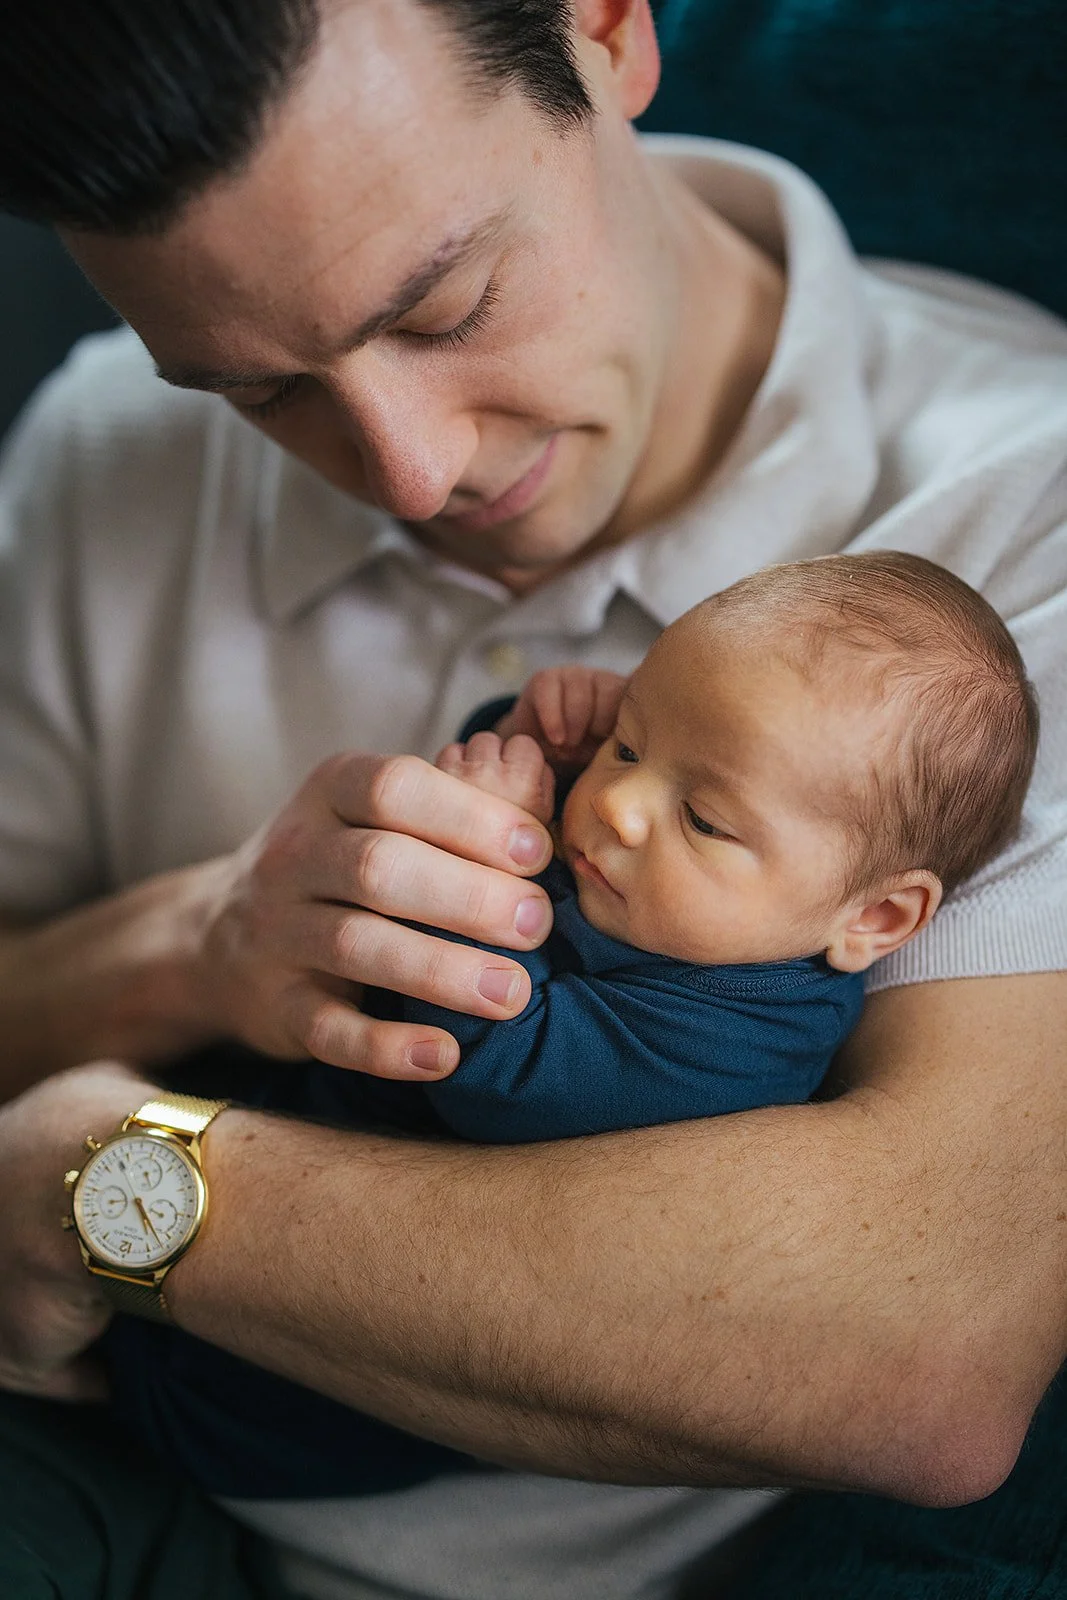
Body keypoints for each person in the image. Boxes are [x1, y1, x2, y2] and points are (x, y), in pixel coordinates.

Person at [0, 2, 1065, 1597]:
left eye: (446, 302)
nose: (412, 474)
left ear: (607, 30)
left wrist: (105, 1171)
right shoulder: (100, 444)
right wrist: (195, 943)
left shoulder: (1024, 527)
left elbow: (917, 1351)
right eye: (259, 393)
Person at [102, 550, 1039, 1504]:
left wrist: (483, 865)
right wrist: (526, 749)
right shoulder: (652, 883)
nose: (619, 807)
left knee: (129, 1382)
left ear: (872, 920)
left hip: (269, 1390)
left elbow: (501, 1074)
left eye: (705, 819)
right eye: (629, 746)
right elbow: (483, 826)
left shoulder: (739, 1042)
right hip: (254, 1108)